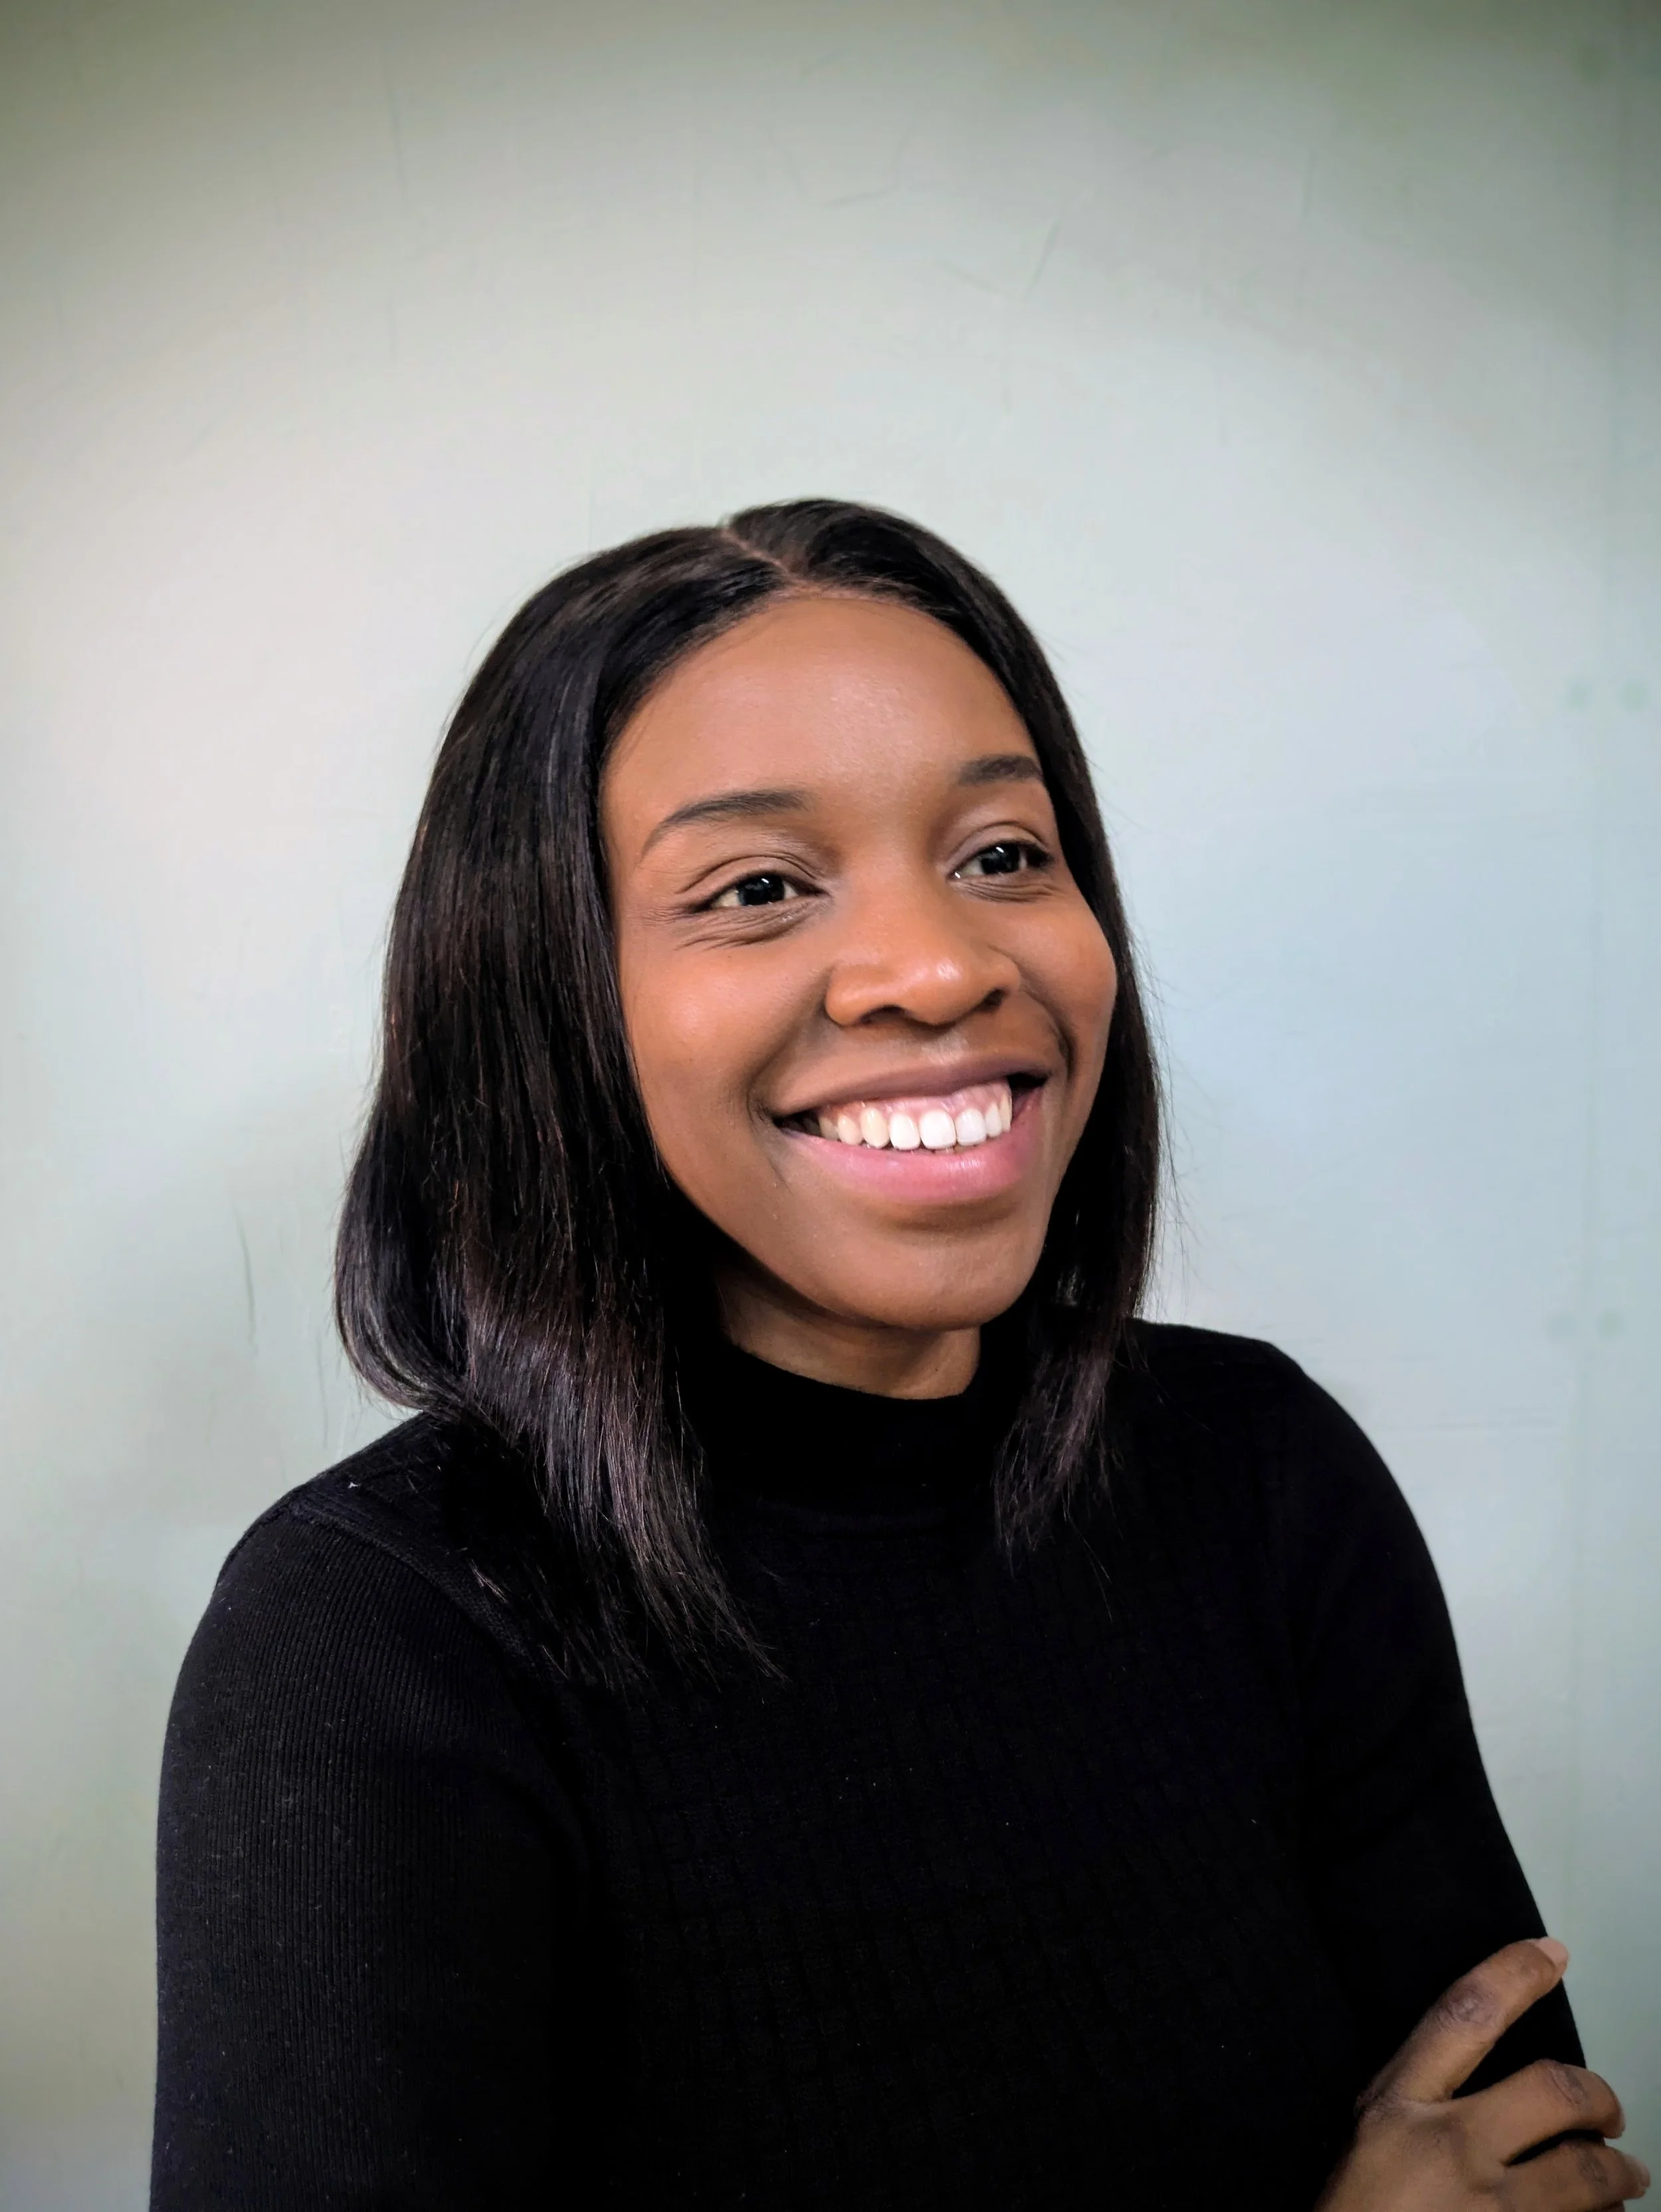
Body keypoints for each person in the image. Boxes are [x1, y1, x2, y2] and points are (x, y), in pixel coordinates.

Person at [151, 501, 1646, 2210]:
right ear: (546, 999)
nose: (940, 966)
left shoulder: (1260, 1474)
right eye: (758, 888)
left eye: (1001, 855)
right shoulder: (372, 1642)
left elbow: (1524, 2166)